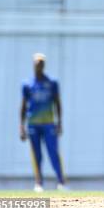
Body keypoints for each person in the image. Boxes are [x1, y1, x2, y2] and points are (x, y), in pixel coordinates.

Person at [20, 53, 66, 192]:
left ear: (44, 65)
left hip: (48, 123)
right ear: (33, 64)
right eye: (37, 63)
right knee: (36, 155)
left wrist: (59, 122)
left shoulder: (52, 83)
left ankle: (61, 182)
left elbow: (57, 103)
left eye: (42, 63)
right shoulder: (27, 84)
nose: (39, 65)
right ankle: (39, 183)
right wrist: (21, 126)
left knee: (53, 152)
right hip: (33, 123)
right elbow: (23, 106)